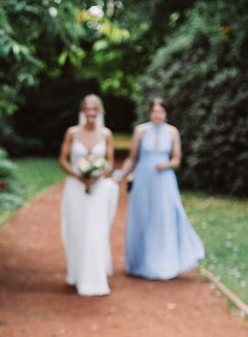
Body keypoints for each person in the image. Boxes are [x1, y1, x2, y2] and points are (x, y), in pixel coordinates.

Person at [118, 98, 205, 280]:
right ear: (150, 113)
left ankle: (163, 262)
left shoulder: (172, 132)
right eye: (154, 111)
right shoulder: (140, 131)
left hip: (163, 181)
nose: (157, 115)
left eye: (161, 112)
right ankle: (140, 262)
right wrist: (119, 176)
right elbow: (132, 158)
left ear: (166, 113)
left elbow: (177, 159)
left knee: (163, 218)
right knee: (143, 218)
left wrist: (165, 166)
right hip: (143, 180)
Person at [58, 94, 119, 296]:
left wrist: (97, 173)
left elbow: (110, 162)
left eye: (94, 109)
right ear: (83, 112)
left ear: (99, 112)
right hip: (76, 188)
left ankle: (94, 279)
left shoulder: (106, 134)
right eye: (87, 109)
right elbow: (63, 160)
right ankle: (76, 273)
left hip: (98, 188)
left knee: (96, 230)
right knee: (76, 230)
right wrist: (78, 174)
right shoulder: (72, 133)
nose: (91, 113)